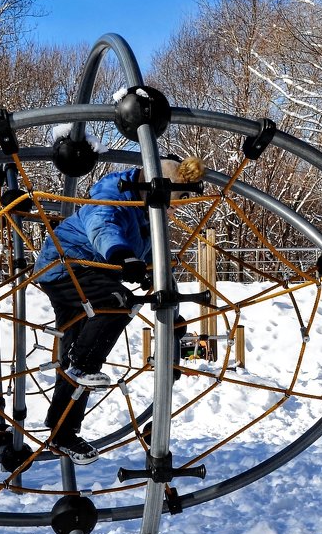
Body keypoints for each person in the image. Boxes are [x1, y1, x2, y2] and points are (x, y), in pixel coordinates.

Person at [33, 155, 205, 463]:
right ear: (151, 187)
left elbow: (159, 267)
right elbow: (103, 224)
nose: (168, 208)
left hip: (95, 275)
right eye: (169, 199)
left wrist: (174, 316)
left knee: (76, 348)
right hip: (67, 267)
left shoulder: (148, 215)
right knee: (117, 304)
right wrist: (122, 255)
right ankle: (82, 368)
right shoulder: (112, 193)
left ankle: (61, 432)